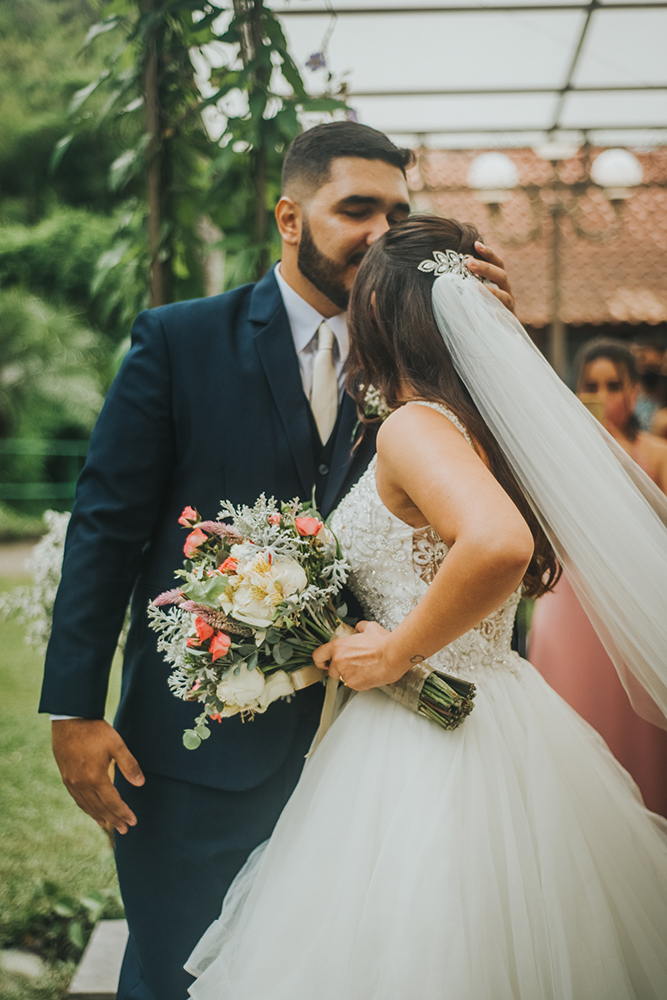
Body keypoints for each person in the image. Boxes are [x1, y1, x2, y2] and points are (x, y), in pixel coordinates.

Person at [38, 123, 514, 1000]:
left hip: (381, 758)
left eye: (398, 212)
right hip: (202, 753)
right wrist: (72, 710)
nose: (382, 233)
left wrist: (487, 339)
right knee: (183, 973)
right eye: (356, 209)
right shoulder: (178, 342)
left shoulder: (429, 369)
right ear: (290, 219)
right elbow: (106, 529)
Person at [185, 215, 667, 1000]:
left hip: (425, 743)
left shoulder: (414, 426)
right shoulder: (488, 430)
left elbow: (496, 543)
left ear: (379, 314)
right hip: (503, 715)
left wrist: (394, 650)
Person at [529, 337, 667, 815]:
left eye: (614, 384)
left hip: (636, 602)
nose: (604, 395)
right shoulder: (563, 452)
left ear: (633, 391)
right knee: (570, 705)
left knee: (634, 725)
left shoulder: (656, 451)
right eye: (592, 385)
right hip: (572, 602)